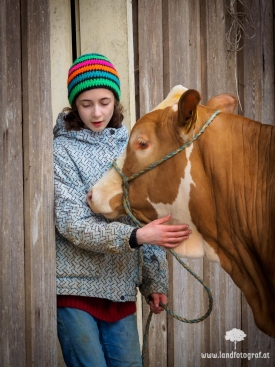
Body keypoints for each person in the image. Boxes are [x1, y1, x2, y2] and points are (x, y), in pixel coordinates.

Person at [54, 53, 191, 367]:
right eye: (86, 104)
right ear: (74, 105)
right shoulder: (61, 150)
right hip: (75, 290)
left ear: (115, 99)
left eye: (104, 101)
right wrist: (136, 235)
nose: (97, 112)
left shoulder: (131, 146)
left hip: (120, 290)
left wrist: (154, 282)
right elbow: (71, 223)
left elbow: (145, 217)